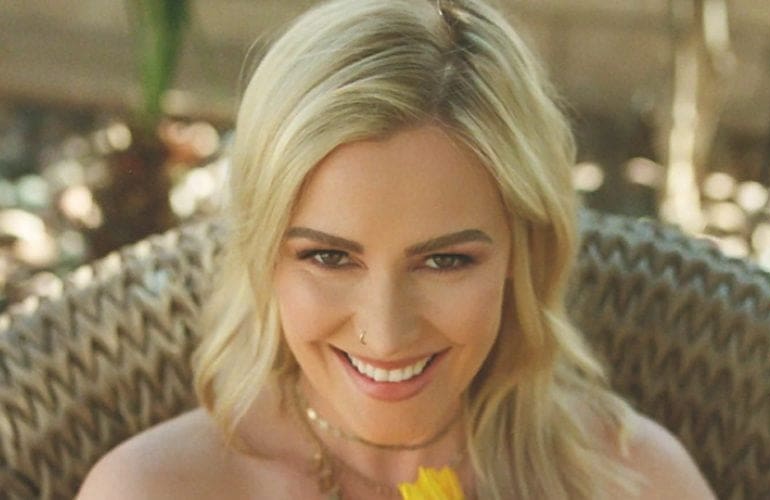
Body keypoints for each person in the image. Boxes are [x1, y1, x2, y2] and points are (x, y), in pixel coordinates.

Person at [78, 0, 716, 498]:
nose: (384, 335)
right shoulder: (150, 489)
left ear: (524, 249)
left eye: (445, 261)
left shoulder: (636, 479)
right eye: (329, 257)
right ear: (263, 251)